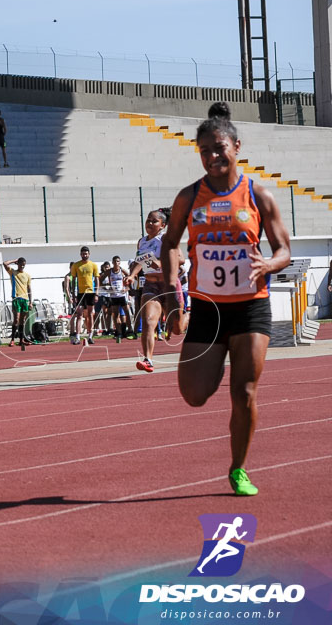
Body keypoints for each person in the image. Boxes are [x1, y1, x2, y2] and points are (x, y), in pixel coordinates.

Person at [161, 102, 291, 496]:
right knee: (195, 395)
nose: (212, 157)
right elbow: (169, 243)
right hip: (208, 308)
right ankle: (214, 364)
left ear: (236, 146)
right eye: (204, 151)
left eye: (219, 148)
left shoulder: (258, 195)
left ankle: (238, 468)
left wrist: (268, 265)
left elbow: (284, 248)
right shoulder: (188, 198)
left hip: (251, 306)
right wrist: (173, 298)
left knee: (246, 391)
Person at [124, 209, 180, 371]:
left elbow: (180, 259)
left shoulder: (167, 239)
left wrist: (160, 264)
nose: (149, 223)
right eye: (148, 220)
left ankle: (189, 317)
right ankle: (148, 359)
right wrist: (132, 276)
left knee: (177, 328)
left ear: (163, 225)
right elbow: (139, 261)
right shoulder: (142, 242)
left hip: (168, 285)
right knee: (148, 322)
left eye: (154, 221)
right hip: (150, 286)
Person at [69, 247, 99, 344]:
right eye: (83, 254)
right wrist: (73, 294)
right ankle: (77, 336)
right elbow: (73, 280)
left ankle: (90, 335)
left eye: (86, 254)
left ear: (89, 254)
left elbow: (97, 279)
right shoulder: (76, 265)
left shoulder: (93, 265)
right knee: (79, 315)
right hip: (80, 292)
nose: (84, 255)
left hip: (90, 292)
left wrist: (97, 293)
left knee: (90, 314)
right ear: (80, 254)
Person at [4, 257, 31, 347]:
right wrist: (13, 260)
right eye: (21, 264)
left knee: (22, 320)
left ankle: (21, 340)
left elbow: (29, 289)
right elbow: (5, 263)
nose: (22, 266)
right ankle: (12, 340)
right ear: (17, 264)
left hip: (25, 299)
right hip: (16, 298)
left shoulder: (27, 275)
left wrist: (30, 301)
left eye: (24, 264)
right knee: (16, 319)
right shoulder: (13, 272)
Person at [104, 255, 131, 342]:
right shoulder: (109, 272)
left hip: (122, 295)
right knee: (115, 314)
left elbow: (130, 277)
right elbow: (100, 279)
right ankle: (119, 332)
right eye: (115, 261)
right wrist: (106, 287)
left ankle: (130, 329)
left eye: (118, 261)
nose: (116, 263)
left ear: (120, 262)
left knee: (126, 312)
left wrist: (127, 288)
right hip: (114, 295)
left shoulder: (122, 270)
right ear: (112, 263)